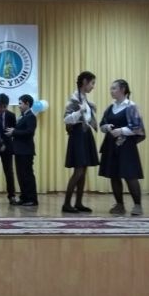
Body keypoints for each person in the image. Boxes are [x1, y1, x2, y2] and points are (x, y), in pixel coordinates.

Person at [99, 79, 146, 216]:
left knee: (130, 175)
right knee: (114, 176)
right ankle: (119, 205)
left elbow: (138, 128)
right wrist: (106, 127)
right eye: (111, 88)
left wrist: (121, 131)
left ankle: (137, 205)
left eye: (114, 88)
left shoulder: (131, 106)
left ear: (123, 89)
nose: (111, 91)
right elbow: (102, 125)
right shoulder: (110, 107)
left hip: (126, 147)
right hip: (111, 146)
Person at [62, 71, 99, 213]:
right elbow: (66, 119)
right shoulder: (74, 99)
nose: (93, 86)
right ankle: (66, 204)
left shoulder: (84, 98)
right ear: (84, 82)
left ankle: (78, 203)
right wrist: (80, 111)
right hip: (78, 135)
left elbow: (87, 118)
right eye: (92, 83)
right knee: (78, 171)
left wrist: (89, 109)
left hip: (84, 134)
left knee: (83, 171)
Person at [5, 94, 38, 206]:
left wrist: (14, 132)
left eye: (20, 103)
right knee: (21, 175)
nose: (19, 106)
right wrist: (13, 131)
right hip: (19, 150)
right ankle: (24, 197)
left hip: (26, 151)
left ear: (27, 103)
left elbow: (29, 132)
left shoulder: (31, 116)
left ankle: (32, 199)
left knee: (27, 175)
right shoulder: (22, 116)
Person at [0, 93, 17, 205]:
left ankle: (12, 196)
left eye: (4, 107)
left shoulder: (11, 115)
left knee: (9, 172)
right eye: (0, 106)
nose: (2, 109)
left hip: (8, 147)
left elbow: (14, 131)